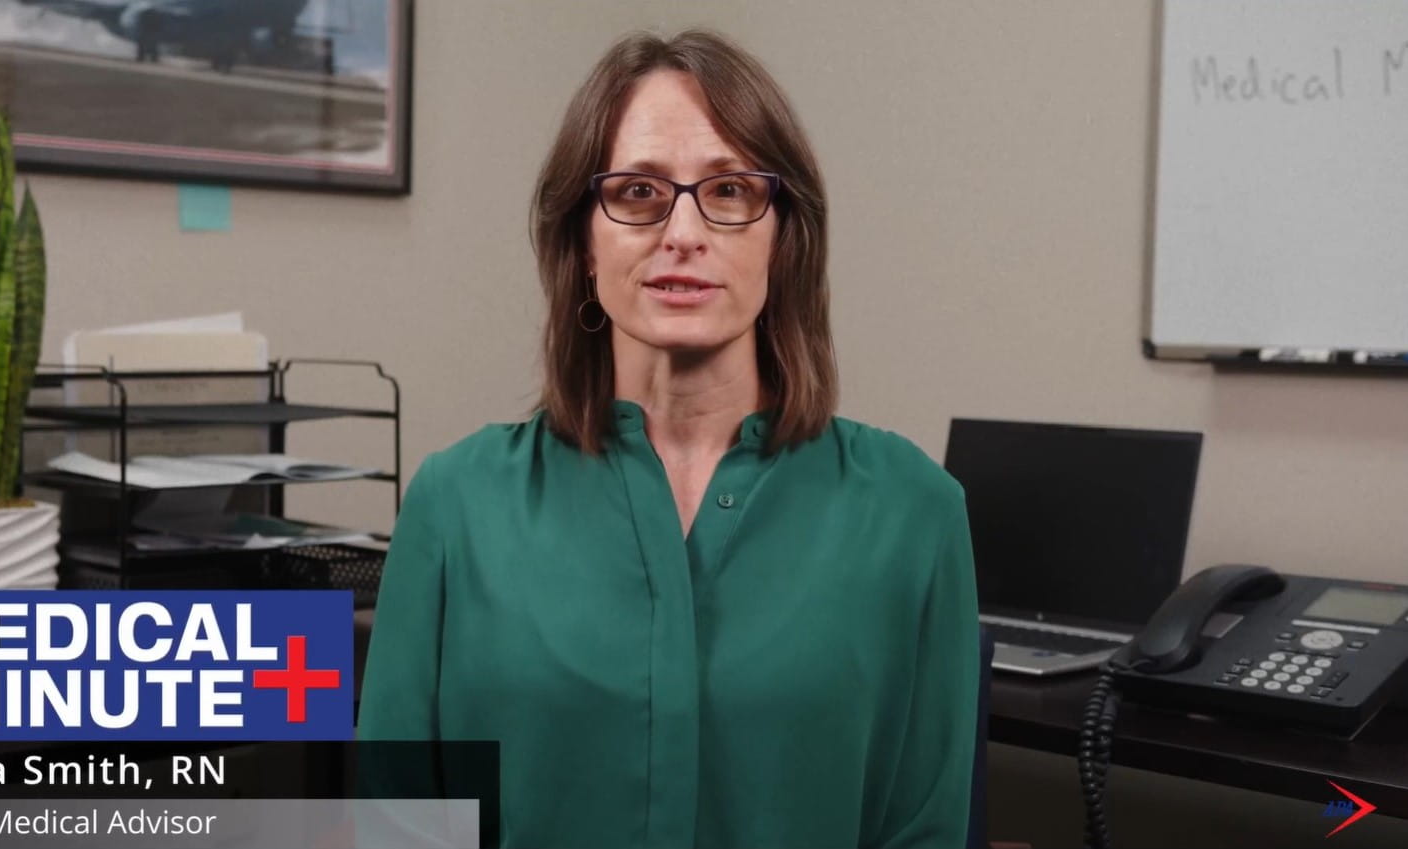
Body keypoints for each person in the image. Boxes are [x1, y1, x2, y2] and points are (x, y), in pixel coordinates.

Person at [358, 28, 980, 849]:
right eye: (639, 192)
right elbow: (398, 828)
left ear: (782, 238)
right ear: (582, 242)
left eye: (728, 191)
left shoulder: (912, 511)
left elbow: (921, 831)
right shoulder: (455, 502)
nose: (682, 232)